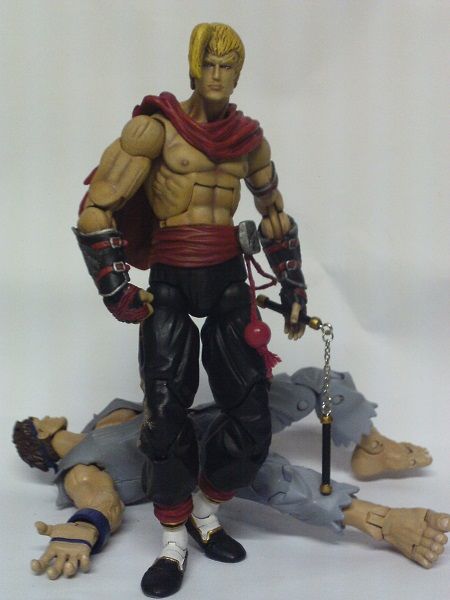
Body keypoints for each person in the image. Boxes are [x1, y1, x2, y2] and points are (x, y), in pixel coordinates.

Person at [73, 22, 310, 597]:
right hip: (171, 284)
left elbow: (274, 214)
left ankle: (206, 508)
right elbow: (97, 209)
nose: (217, 76)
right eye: (210, 64)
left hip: (228, 281)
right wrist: (117, 288)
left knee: (252, 418)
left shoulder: (249, 140)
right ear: (192, 67)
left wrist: (294, 286)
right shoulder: (155, 130)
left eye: (228, 67)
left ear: (238, 74)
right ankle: (173, 538)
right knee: (163, 416)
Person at [13, 368, 448, 593]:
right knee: (275, 479)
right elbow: (101, 502)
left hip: (217, 414)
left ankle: (373, 447)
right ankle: (382, 520)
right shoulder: (81, 470)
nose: (48, 415)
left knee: (312, 383)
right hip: (206, 461)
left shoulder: (105, 419)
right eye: (40, 419)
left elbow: (156, 396)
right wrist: (82, 530)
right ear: (43, 433)